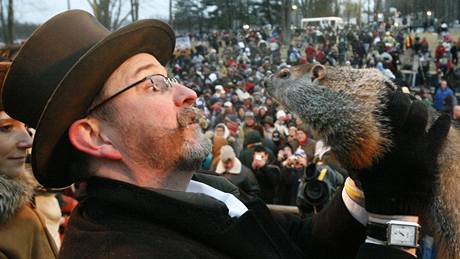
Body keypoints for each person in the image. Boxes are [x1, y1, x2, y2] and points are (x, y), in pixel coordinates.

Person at [3, 10, 449, 259]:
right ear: (95, 137)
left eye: (172, 76)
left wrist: (365, 178)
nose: (188, 92)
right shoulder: (123, 251)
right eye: (153, 83)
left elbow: (297, 246)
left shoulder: (205, 192)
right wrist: (394, 220)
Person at [0, 62, 58, 258]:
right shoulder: (13, 223)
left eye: (25, 125)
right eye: (6, 128)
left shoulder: (18, 211)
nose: (28, 141)